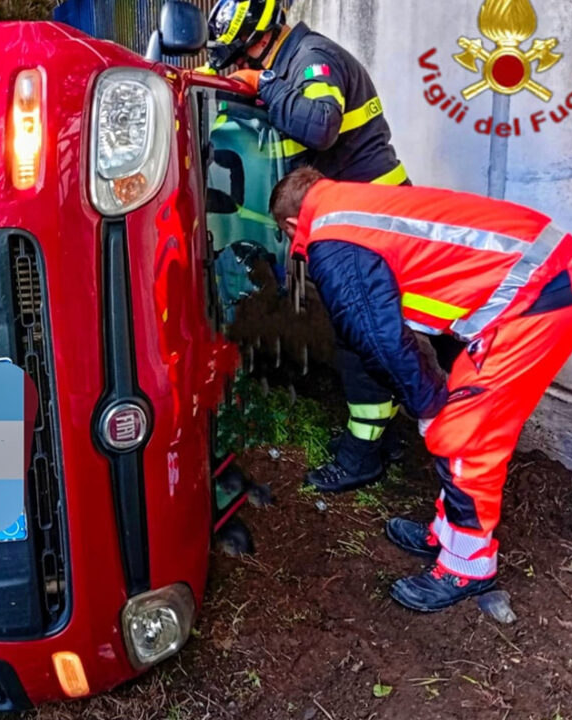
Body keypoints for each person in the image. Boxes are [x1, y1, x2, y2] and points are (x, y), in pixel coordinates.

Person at [270, 167, 572, 611]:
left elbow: (377, 338)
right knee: (461, 423)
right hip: (545, 282)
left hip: (540, 296)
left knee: (464, 435)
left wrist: (427, 405)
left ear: (293, 224)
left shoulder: (331, 239)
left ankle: (468, 566)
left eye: (291, 241)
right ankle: (447, 532)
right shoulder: (355, 204)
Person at [206, 0, 441, 493]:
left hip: (369, 219)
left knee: (359, 337)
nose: (244, 68)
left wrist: (264, 85)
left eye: (243, 57)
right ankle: (382, 439)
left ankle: (362, 456)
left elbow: (319, 124)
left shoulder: (313, 59)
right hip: (356, 215)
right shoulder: (289, 61)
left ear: (262, 37)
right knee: (365, 331)